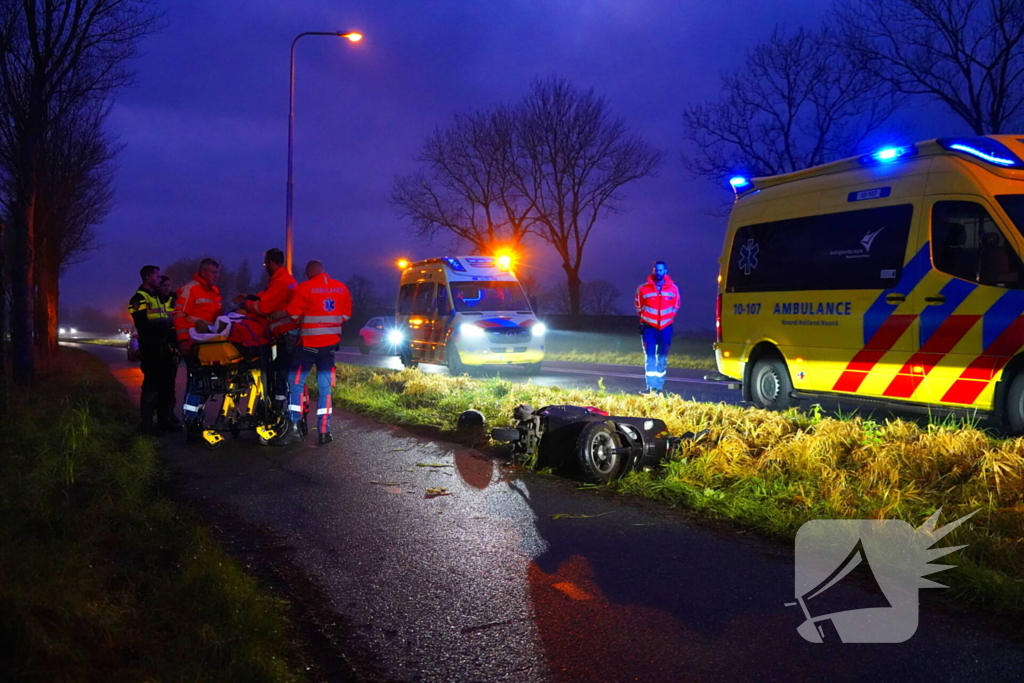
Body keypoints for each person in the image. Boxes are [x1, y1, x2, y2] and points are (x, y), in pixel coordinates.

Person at [272, 260, 352, 446]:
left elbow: (293, 315)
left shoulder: (305, 288)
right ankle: (324, 432)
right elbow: (346, 315)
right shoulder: (341, 288)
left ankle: (294, 429)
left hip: (308, 347)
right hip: (330, 348)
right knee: (325, 389)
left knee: (296, 382)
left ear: (308, 272)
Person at [234, 248, 298, 412]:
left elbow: (264, 307)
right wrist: (249, 296)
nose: (265, 267)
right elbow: (267, 297)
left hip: (287, 333)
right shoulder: (284, 280)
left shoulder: (280, 282)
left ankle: (277, 407)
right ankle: (278, 405)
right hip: (289, 333)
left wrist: (245, 305)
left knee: (279, 371)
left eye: (265, 263)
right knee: (279, 369)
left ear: (271, 263)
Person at [172, 258, 223, 431]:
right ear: (202, 272)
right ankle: (191, 420)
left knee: (206, 383)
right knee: (197, 382)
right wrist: (183, 340)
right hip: (193, 343)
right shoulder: (191, 289)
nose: (216, 275)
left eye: (217, 272)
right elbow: (178, 314)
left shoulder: (214, 292)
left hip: (208, 345)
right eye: (212, 272)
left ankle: (197, 417)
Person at [128, 265, 179, 433]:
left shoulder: (156, 297)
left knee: (165, 385)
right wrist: (166, 324)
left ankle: (163, 421)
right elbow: (143, 326)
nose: (160, 279)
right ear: (149, 278)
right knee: (151, 386)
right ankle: (147, 424)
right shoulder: (138, 299)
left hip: (163, 347)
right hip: (151, 348)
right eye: (157, 277)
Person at [634, 261, 680, 395]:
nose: (658, 273)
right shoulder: (643, 288)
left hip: (666, 327)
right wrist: (647, 319)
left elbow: (676, 305)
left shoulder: (673, 289)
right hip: (649, 327)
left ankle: (659, 388)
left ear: (665, 271)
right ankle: (650, 388)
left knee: (662, 357)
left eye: (660, 270)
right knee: (650, 357)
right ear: (653, 271)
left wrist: (667, 318)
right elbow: (638, 306)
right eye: (656, 270)